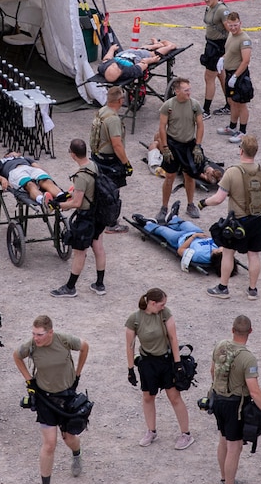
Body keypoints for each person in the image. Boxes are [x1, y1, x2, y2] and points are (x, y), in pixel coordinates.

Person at [13, 314, 90, 484]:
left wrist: (78, 374)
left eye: (39, 334)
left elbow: (84, 346)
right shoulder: (31, 346)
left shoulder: (63, 340)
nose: (36, 338)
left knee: (69, 438)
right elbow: (16, 355)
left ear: (50, 333)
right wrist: (29, 380)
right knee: (49, 444)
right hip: (45, 399)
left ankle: (77, 454)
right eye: (33, 333)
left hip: (66, 397)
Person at [211, 314, 261, 484]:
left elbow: (212, 371)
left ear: (232, 330)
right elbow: (254, 391)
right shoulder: (248, 358)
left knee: (223, 440)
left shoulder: (220, 345)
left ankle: (225, 480)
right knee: (235, 446)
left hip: (218, 399)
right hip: (235, 405)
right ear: (250, 331)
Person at [204, 134, 261, 300]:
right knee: (254, 255)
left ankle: (223, 287)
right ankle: (252, 290)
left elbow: (218, 199)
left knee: (229, 253)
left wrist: (204, 203)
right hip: (257, 220)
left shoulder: (232, 173)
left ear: (241, 150)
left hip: (237, 221)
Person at [124, 288, 193, 449]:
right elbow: (130, 346)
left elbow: (173, 338)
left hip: (166, 361)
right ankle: (151, 431)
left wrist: (177, 364)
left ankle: (186, 434)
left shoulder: (164, 314)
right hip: (147, 363)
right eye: (161, 304)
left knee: (174, 396)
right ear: (152, 303)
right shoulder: (134, 319)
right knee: (148, 397)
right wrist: (130, 369)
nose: (164, 307)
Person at [55, 139, 109, 297]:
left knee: (80, 252)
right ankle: (99, 284)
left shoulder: (80, 176)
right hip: (98, 213)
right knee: (98, 248)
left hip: (86, 217)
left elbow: (77, 203)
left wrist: (60, 205)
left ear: (72, 154)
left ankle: (70, 287)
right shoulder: (94, 165)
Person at [155, 77, 205, 219]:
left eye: (189, 89)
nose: (189, 92)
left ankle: (190, 205)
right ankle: (164, 207)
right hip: (173, 144)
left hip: (189, 144)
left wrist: (198, 146)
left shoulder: (195, 105)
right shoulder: (168, 106)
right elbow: (162, 127)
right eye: (186, 90)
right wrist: (165, 147)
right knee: (169, 176)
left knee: (189, 176)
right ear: (177, 91)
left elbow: (200, 126)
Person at [88, 86, 130, 233]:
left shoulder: (102, 111)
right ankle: (111, 224)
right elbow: (117, 145)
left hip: (97, 157)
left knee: (99, 189)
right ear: (120, 100)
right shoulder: (113, 119)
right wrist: (126, 164)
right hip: (110, 161)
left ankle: (97, 217)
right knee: (112, 193)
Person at [130, 214, 230, 275]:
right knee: (186, 223)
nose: (221, 248)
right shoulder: (219, 249)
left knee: (162, 230)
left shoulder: (199, 255)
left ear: (217, 256)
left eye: (220, 250)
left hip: (179, 238)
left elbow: (180, 250)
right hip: (195, 232)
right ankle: (172, 218)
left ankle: (147, 223)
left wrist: (193, 237)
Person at [217, 12, 253, 143]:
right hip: (230, 72)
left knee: (241, 104)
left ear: (240, 23)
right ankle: (232, 127)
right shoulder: (231, 35)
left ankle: (242, 131)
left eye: (235, 25)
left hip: (239, 75)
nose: (233, 28)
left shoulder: (245, 39)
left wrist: (236, 76)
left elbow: (245, 60)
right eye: (230, 25)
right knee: (232, 101)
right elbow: (229, 51)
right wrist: (222, 58)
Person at [0, 153, 69, 206]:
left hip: (30, 169)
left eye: (14, 152)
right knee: (29, 184)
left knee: (45, 180)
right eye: (9, 153)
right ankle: (42, 201)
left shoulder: (24, 158)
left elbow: (37, 167)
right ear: (5, 155)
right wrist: (2, 179)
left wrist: (45, 174)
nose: (13, 154)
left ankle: (61, 196)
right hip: (15, 172)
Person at [95, 39, 179, 85]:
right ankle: (162, 45)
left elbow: (107, 58)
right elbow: (143, 63)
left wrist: (111, 49)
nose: (114, 64)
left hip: (126, 54)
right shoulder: (128, 71)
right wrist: (152, 60)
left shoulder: (103, 67)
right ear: (120, 72)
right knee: (151, 53)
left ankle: (157, 45)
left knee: (144, 51)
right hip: (133, 56)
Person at [200, 0, 228, 117]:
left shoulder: (222, 10)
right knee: (221, 75)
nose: (206, 0)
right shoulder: (210, 7)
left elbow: (231, 30)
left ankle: (206, 110)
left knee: (209, 77)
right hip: (211, 45)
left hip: (217, 47)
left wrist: (227, 51)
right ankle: (229, 104)